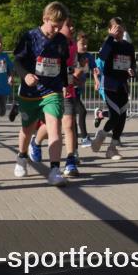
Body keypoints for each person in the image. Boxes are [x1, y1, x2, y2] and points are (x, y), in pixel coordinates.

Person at [12, 2, 71, 185]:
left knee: (54, 128)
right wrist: (26, 75)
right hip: (30, 92)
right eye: (54, 26)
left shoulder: (61, 41)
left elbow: (61, 66)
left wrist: (64, 84)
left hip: (51, 91)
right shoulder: (30, 37)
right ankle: (22, 157)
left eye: (60, 27)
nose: (56, 30)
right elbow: (17, 61)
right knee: (27, 129)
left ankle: (54, 170)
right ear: (45, 19)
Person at [90, 17, 136, 160]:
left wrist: (133, 71)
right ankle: (101, 135)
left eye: (121, 27)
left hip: (123, 86)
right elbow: (102, 56)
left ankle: (112, 149)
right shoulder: (108, 44)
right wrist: (110, 37)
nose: (119, 30)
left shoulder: (128, 47)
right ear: (110, 29)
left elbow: (133, 64)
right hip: (110, 86)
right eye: (116, 27)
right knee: (114, 116)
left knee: (122, 118)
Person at [60, 19, 83, 177]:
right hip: (50, 90)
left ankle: (70, 161)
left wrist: (75, 74)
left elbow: (76, 65)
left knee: (69, 124)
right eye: (68, 25)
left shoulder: (73, 46)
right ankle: (36, 142)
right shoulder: (47, 43)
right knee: (49, 128)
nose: (72, 28)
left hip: (68, 89)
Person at [74, 32, 95, 147]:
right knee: (81, 111)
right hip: (68, 89)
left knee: (71, 115)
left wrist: (96, 79)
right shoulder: (72, 55)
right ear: (76, 44)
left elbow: (94, 68)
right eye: (82, 44)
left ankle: (78, 138)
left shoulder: (88, 56)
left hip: (77, 89)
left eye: (86, 44)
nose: (85, 46)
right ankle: (84, 137)